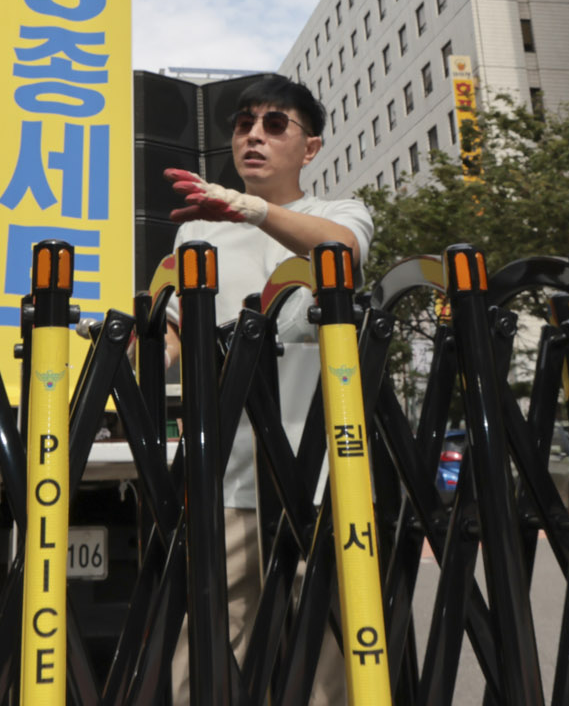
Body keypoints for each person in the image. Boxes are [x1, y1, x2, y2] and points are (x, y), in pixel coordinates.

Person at [162, 74, 369, 705]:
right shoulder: (196, 232)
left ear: (310, 148)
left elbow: (340, 254)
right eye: (243, 123)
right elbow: (173, 342)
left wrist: (249, 209)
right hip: (223, 478)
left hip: (320, 477)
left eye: (274, 124)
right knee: (206, 659)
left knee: (328, 663)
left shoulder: (339, 213)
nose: (252, 135)